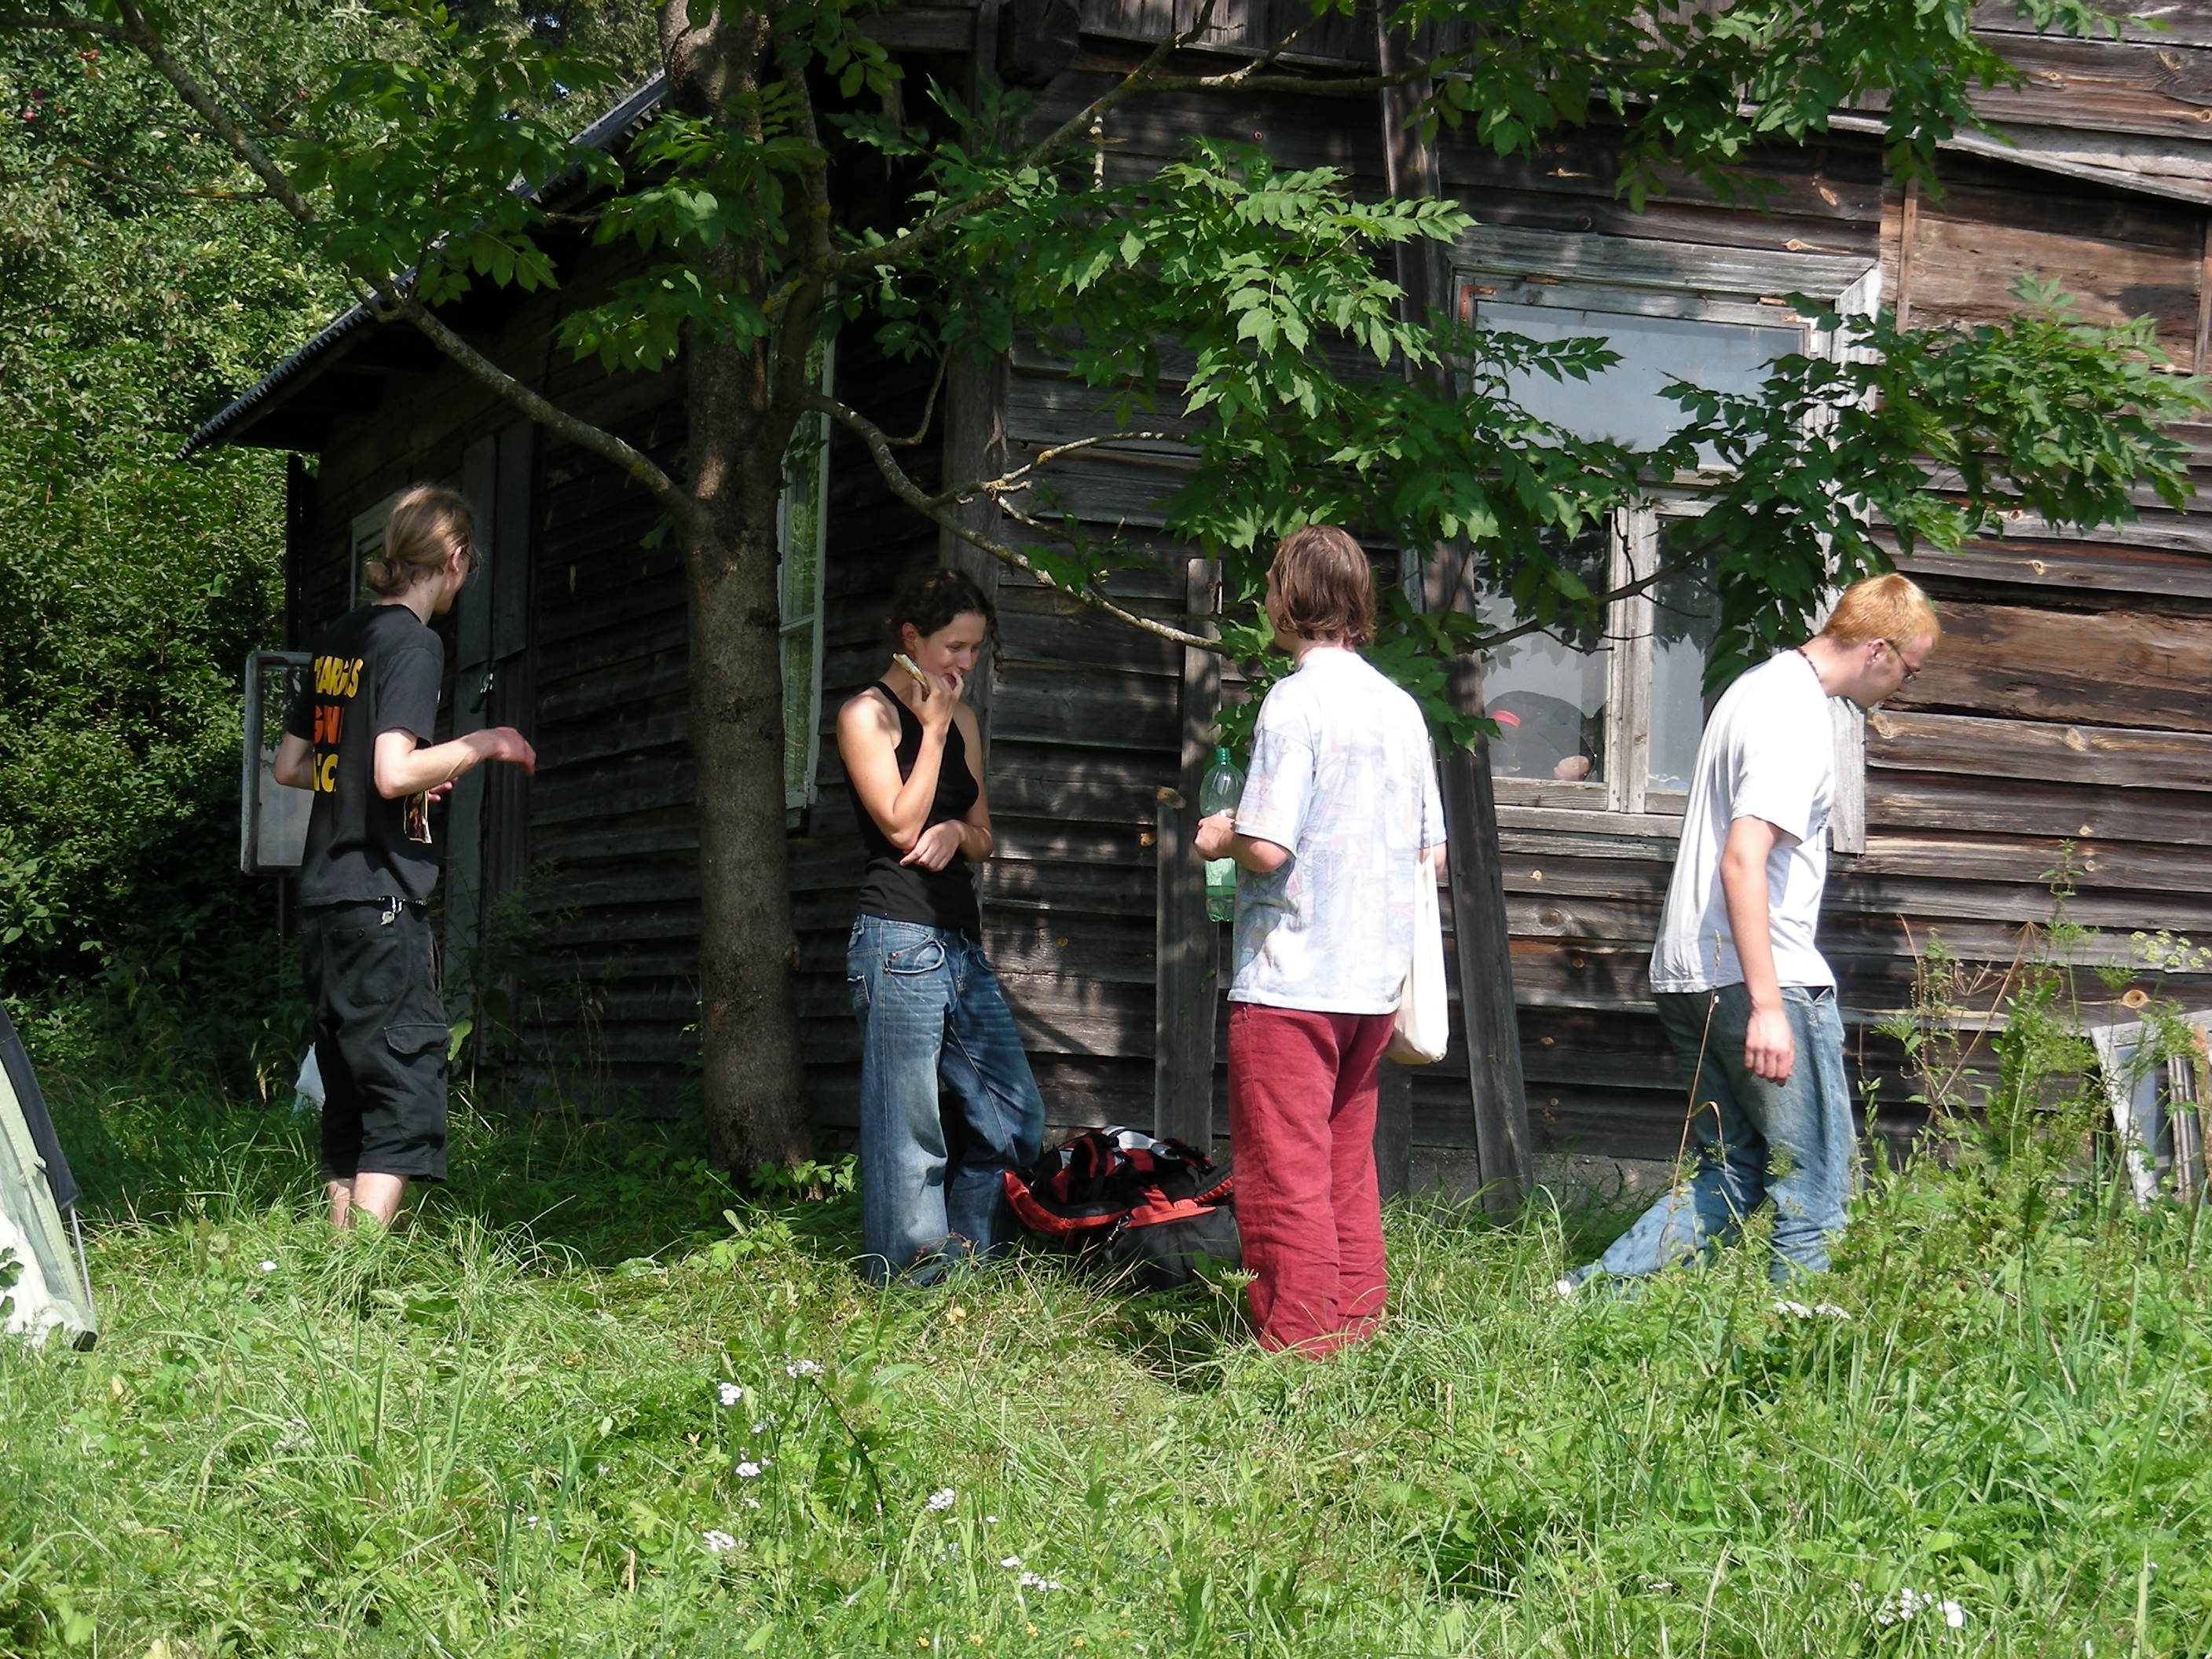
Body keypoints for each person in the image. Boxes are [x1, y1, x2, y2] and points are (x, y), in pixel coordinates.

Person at [1559, 573, 1940, 1293]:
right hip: (1762, 978)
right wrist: (1768, 1006)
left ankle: (1590, 1297)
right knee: (1816, 1178)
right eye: (1909, 671)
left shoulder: (1754, 687)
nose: (1904, 687)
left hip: (1690, 971)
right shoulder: (1796, 715)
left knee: (1732, 1168)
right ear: (1877, 650)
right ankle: (1793, 1337)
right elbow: (1743, 858)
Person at [1194, 526, 1445, 1355]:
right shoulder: (1400, 708)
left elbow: (1267, 848)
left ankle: (1299, 1357)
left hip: (1291, 976)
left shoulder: (1293, 702)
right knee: (1344, 1168)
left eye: (1272, 584)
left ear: (1289, 599)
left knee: (1284, 1176)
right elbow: (1432, 854)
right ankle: (1356, 1337)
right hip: (1372, 983)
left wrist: (1218, 836)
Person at [273, 485, 536, 1229]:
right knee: (404, 1089)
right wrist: (484, 742)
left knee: (349, 1092)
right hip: (380, 903)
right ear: (454, 558)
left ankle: (338, 1262)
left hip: (325, 901)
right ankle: (360, 1268)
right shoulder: (415, 643)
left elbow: (293, 766)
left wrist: (415, 780)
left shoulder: (342, 637)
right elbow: (392, 771)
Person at [836, 568, 1044, 1286]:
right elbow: (899, 824)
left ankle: (967, 1266)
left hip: (957, 940)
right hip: (896, 937)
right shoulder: (866, 715)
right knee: (910, 1130)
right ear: (911, 639)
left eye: (975, 648)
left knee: (1014, 1116)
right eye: (954, 645)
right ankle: (908, 1284)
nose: (965, 661)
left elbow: (983, 836)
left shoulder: (966, 720)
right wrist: (929, 730)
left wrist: (958, 830)